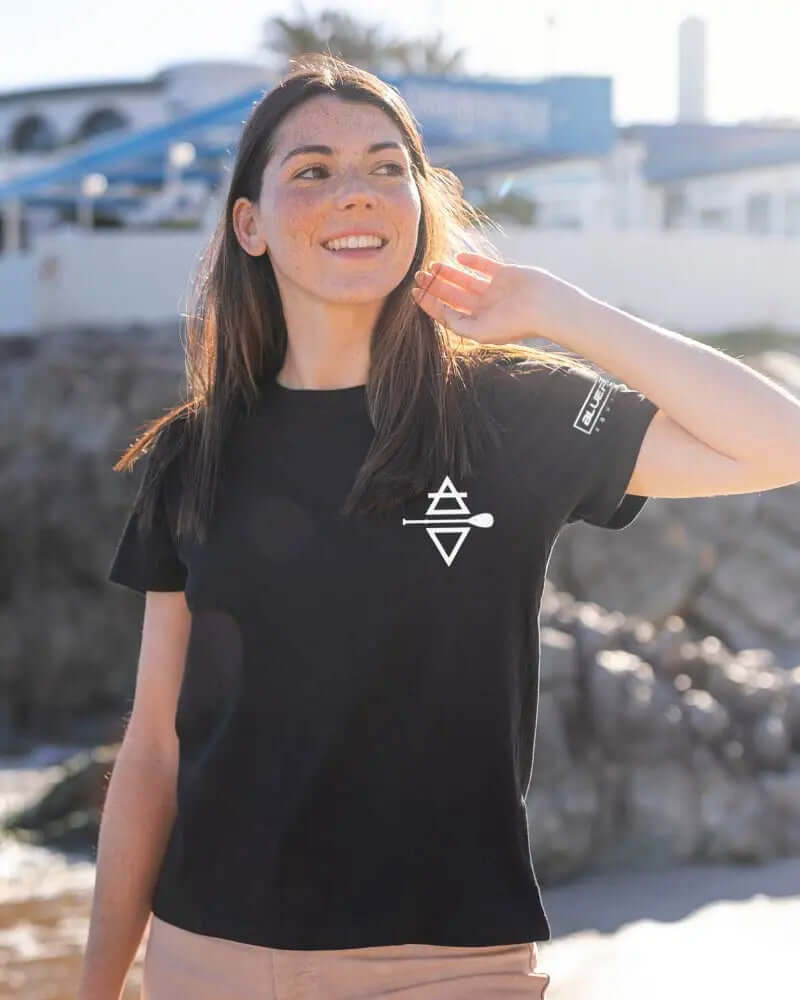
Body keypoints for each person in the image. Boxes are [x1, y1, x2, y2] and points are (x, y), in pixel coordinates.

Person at [80, 54, 664, 1000]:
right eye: (311, 170)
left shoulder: (510, 410)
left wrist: (559, 309)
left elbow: (782, 442)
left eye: (387, 167)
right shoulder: (197, 451)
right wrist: (98, 987)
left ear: (421, 204)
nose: (356, 193)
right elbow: (155, 745)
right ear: (250, 224)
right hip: (209, 960)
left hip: (447, 966)